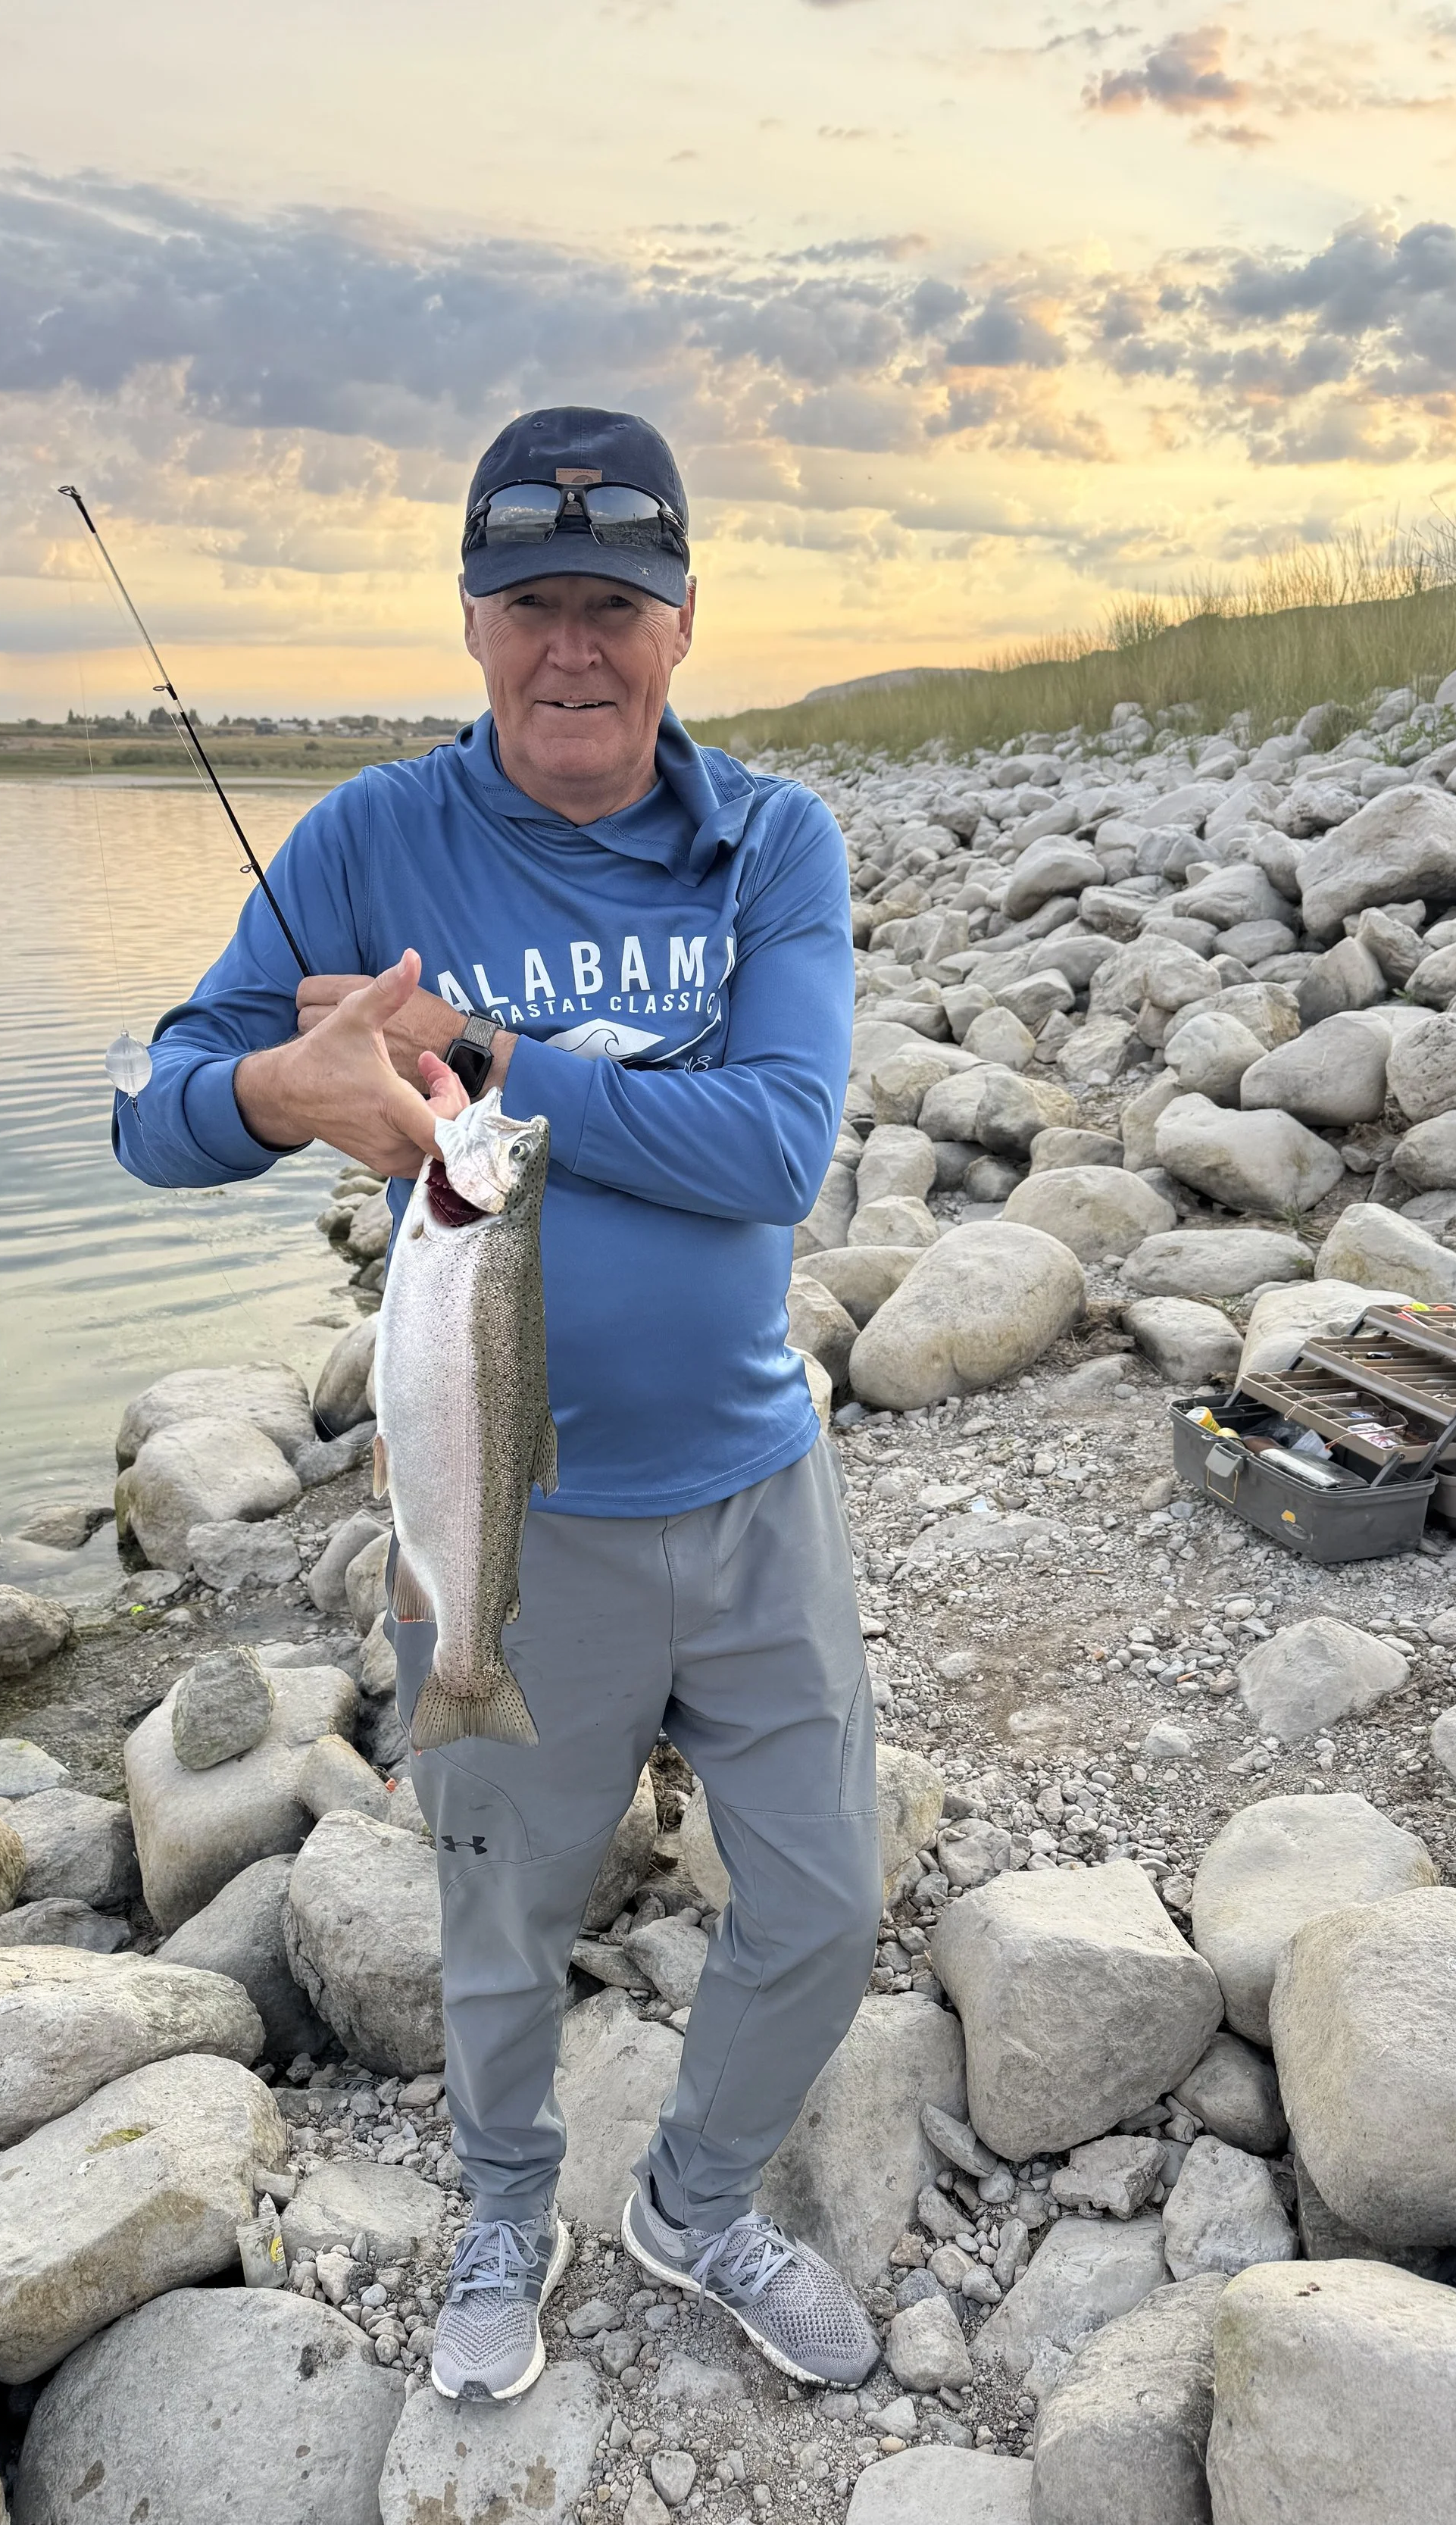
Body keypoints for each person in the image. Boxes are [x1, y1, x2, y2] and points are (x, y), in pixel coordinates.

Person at [114, 406, 883, 2404]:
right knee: (495, 1921)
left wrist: (488, 1054)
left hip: (749, 1497)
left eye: (611, 604)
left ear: (680, 621)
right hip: (498, 1532)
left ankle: (696, 2197)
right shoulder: (373, 841)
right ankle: (505, 2205)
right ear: (470, 620)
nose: (572, 645)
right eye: (530, 602)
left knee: (819, 1901)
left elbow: (777, 1148)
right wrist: (273, 1093)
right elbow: (148, 1112)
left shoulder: (768, 842)